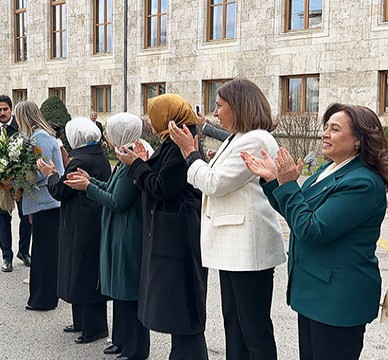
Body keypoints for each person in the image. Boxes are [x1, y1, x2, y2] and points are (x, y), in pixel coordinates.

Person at [241, 103, 388, 360]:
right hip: (315, 294)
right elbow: (297, 215)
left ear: (357, 140)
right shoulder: (328, 169)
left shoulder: (363, 183)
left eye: (334, 129)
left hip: (338, 301)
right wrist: (274, 181)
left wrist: (287, 184)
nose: (324, 134)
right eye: (325, 127)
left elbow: (312, 229)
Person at [169, 79, 286, 360]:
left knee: (253, 330)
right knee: (234, 326)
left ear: (239, 106)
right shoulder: (240, 137)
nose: (215, 112)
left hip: (248, 249)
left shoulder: (257, 139)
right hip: (234, 248)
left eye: (220, 106)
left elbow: (214, 183)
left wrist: (190, 153)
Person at [116, 95, 208, 359]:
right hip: (172, 233)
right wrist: (143, 163)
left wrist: (136, 166)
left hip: (177, 236)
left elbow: (163, 187)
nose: (149, 120)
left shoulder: (182, 143)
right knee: (176, 309)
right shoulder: (175, 140)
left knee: (183, 308)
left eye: (153, 114)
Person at [64, 112, 151, 359]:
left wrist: (88, 187)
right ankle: (121, 340)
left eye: (111, 132)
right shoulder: (124, 158)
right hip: (117, 231)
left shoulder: (131, 161)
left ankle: (135, 349)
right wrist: (90, 180)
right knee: (118, 290)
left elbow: (117, 200)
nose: (106, 137)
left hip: (127, 232)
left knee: (128, 291)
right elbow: (111, 188)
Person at [39, 117, 111, 344]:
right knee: (80, 271)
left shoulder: (80, 159)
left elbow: (60, 190)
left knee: (83, 272)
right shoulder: (97, 155)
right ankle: (82, 321)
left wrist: (51, 174)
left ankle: (93, 327)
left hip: (81, 222)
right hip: (89, 219)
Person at [13, 100, 64, 312]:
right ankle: (43, 296)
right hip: (44, 203)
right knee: (44, 252)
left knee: (45, 254)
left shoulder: (39, 137)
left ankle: (44, 299)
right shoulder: (37, 135)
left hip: (48, 202)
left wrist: (16, 180)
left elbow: (44, 170)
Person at [0, 95, 31, 272]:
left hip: (19, 182)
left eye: (5, 109)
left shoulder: (22, 127)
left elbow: (28, 154)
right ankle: (6, 256)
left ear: (11, 109)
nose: (2, 113)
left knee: (26, 216)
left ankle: (24, 251)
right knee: (2, 217)